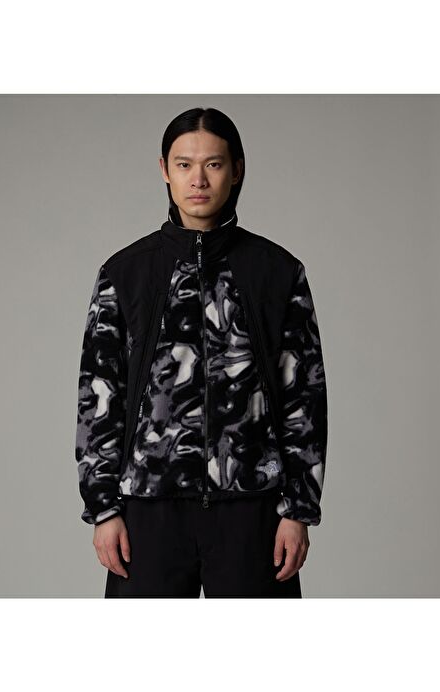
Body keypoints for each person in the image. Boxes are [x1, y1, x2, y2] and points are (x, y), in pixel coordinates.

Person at [75, 106, 328, 597]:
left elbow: (304, 395)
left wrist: (299, 509)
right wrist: (103, 508)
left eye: (213, 164)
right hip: (148, 508)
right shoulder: (125, 273)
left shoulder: (278, 272)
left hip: (253, 507)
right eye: (184, 164)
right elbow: (99, 394)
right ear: (164, 170)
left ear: (237, 170)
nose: (199, 179)